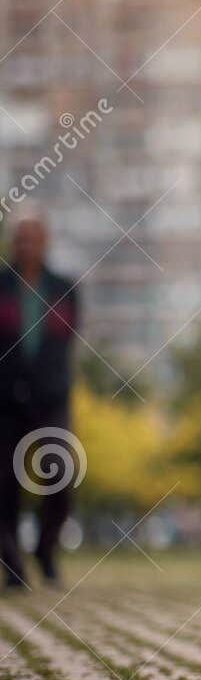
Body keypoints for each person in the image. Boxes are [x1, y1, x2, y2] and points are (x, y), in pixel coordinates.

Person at [0, 213, 78, 590]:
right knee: (3, 483)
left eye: (33, 238)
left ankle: (45, 552)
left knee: (60, 477)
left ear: (44, 242)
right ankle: (12, 564)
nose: (27, 245)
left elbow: (66, 342)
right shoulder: (1, 285)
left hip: (51, 399)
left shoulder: (64, 288)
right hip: (4, 399)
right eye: (21, 238)